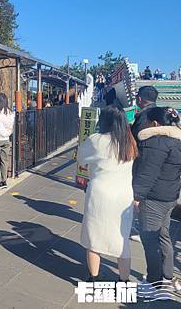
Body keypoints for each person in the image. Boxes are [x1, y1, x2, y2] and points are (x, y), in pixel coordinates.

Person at [77, 106, 138, 282]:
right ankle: (124, 280)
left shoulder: (96, 140)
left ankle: (94, 278)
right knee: (121, 240)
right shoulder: (129, 142)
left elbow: (81, 158)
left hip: (100, 194)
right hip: (123, 196)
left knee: (94, 237)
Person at [133, 107, 181, 292]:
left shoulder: (156, 142)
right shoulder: (176, 140)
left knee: (150, 239)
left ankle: (153, 282)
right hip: (169, 197)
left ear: (154, 123)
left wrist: (136, 196)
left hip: (153, 197)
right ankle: (167, 276)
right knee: (163, 235)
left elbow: (147, 173)